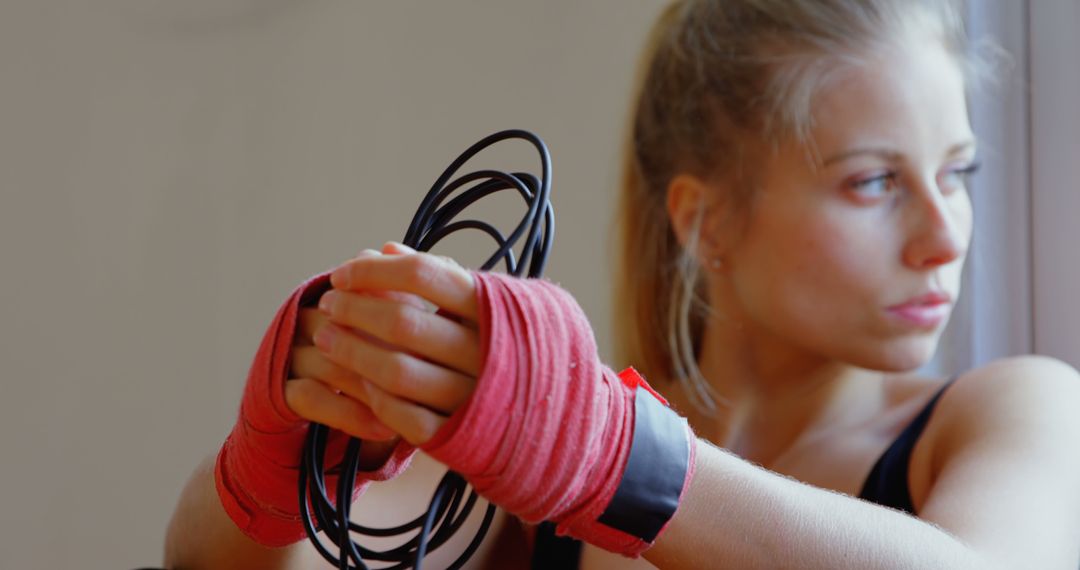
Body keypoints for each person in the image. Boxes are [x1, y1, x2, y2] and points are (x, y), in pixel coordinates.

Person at [164, 0, 1080, 568]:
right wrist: (276, 456)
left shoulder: (1016, 411)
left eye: (960, 172)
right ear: (705, 220)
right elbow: (223, 562)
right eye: (873, 182)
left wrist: (614, 455)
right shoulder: (535, 465)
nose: (943, 235)